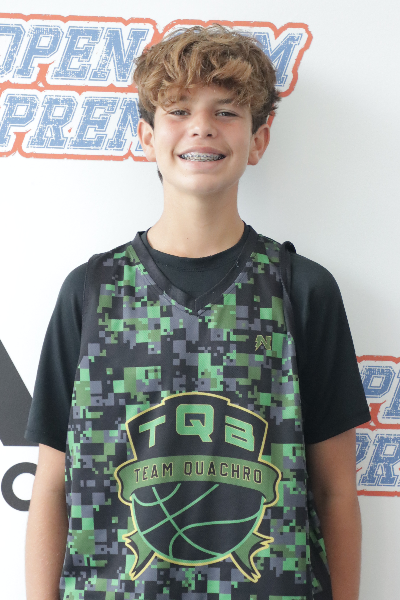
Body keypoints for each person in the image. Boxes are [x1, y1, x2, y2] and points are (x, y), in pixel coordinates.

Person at [25, 24, 370, 600]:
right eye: (179, 110)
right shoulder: (90, 291)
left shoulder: (302, 290)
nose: (202, 126)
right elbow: (52, 486)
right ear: (147, 136)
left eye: (227, 111)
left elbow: (336, 492)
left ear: (258, 140)